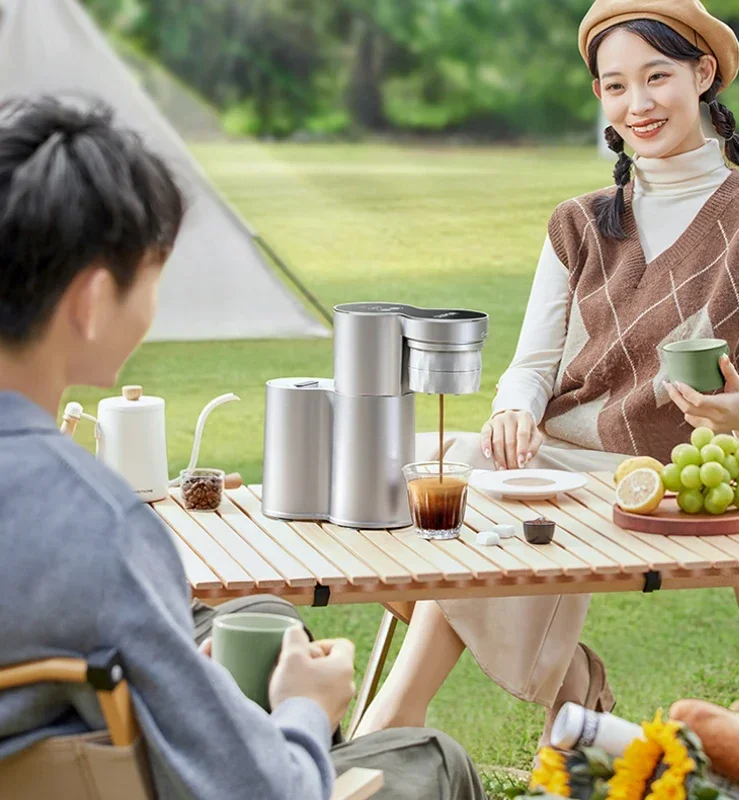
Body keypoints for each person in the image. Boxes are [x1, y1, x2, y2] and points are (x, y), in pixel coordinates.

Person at [0, 95, 487, 800]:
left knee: (261, 618)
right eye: (155, 271)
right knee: (431, 759)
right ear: (93, 299)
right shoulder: (102, 528)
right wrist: (305, 711)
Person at [356, 0, 739, 751]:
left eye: (657, 77)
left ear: (703, 75)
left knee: (464, 508)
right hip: (556, 457)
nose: (640, 103)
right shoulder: (579, 221)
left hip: (662, 475)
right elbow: (532, 365)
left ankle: (397, 719)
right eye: (617, 85)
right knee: (430, 471)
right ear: (601, 96)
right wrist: (513, 411)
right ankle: (568, 689)